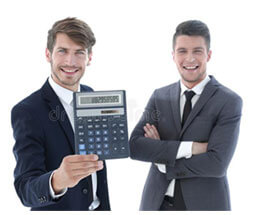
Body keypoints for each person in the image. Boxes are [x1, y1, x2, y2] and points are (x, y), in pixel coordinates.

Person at [129, 20, 242, 211]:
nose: (189, 59)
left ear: (209, 55)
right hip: (157, 204)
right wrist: (192, 147)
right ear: (173, 56)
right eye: (182, 51)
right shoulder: (160, 96)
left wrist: (162, 161)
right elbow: (135, 146)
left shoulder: (228, 101)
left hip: (205, 205)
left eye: (197, 51)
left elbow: (217, 164)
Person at [11, 17, 110, 211]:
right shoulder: (28, 111)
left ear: (89, 58)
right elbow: (25, 189)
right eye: (62, 51)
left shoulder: (91, 95)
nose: (70, 61)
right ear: (48, 54)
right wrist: (56, 181)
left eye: (79, 53)